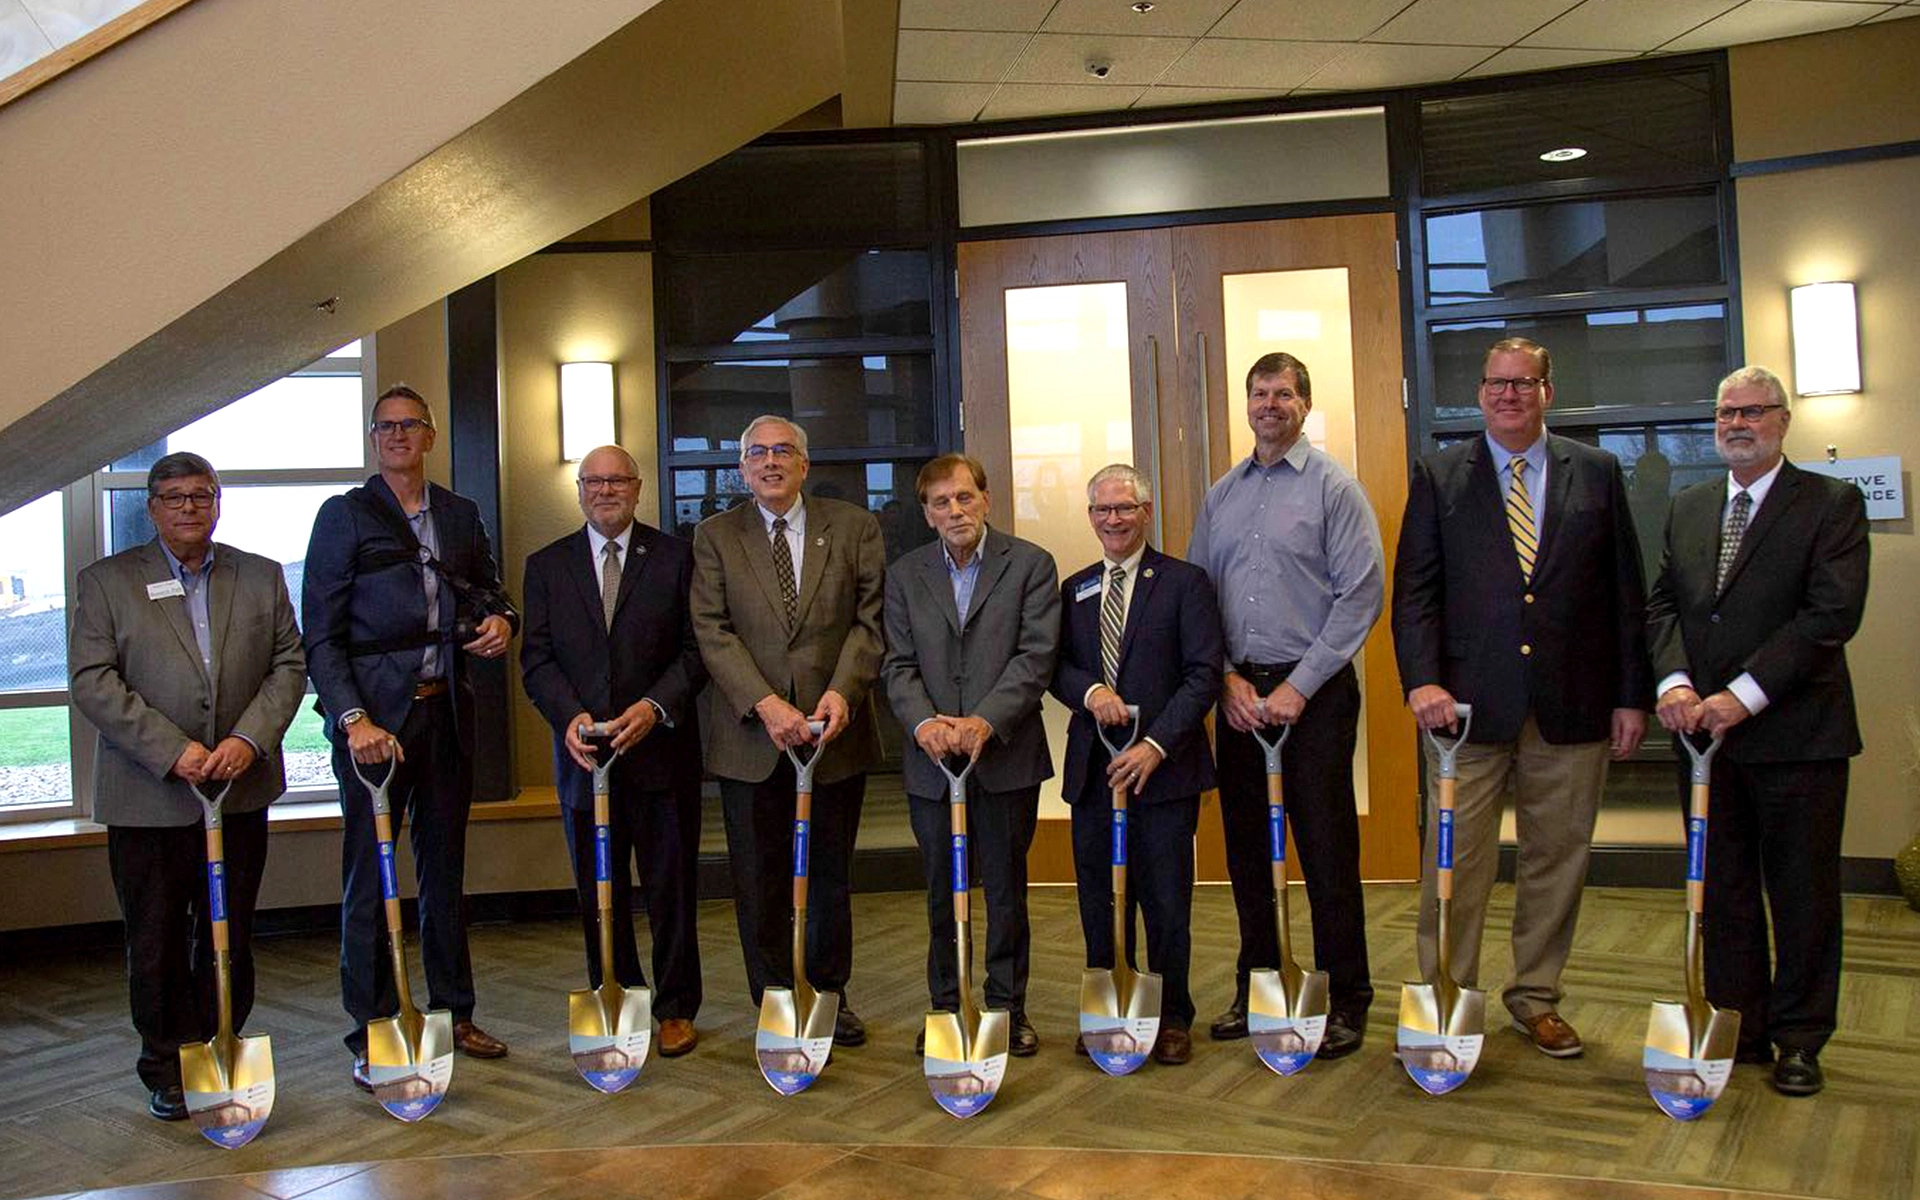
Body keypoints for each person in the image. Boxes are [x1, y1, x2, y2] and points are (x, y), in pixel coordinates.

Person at [1391, 336, 1650, 1058]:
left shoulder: (1594, 473)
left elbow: (1624, 592)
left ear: (1547, 390)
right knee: (1455, 863)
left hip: (1573, 704)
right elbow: (1415, 593)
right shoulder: (1443, 474)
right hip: (1463, 713)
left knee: (1555, 857)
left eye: (1523, 382)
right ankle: (1447, 997)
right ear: (1480, 394)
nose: (1508, 394)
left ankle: (1535, 997)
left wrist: (1632, 696)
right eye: (1496, 384)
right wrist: (1422, 680)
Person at [1647, 364, 1869, 1097]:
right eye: (1725, 413)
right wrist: (1676, 682)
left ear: (1782, 420)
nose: (1736, 424)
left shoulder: (1830, 504)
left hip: (1797, 738)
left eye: (1752, 412)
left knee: (1802, 893)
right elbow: (1663, 608)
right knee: (1724, 888)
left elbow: (1829, 618)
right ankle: (1739, 1023)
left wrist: (1741, 696)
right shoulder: (1690, 504)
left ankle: (1801, 1038)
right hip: (1703, 741)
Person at [68, 452, 306, 1121]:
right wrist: (175, 752)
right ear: (152, 508)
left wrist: (246, 740)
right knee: (158, 936)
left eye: (199, 495)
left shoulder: (259, 577)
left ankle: (221, 1046)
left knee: (229, 930)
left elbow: (290, 662)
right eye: (173, 498)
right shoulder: (108, 581)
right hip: (150, 798)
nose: (188, 508)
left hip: (240, 787)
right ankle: (167, 1064)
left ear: (218, 501)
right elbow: (93, 679)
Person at [303, 384, 519, 1088]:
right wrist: (353, 718)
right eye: (385, 426)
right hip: (374, 728)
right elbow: (321, 635)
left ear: (429, 436)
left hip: (446, 712)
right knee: (372, 879)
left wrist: (501, 623)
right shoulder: (344, 517)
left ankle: (453, 1011)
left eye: (410, 425)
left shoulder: (460, 514)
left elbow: (491, 591)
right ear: (374, 439)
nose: (398, 435)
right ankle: (372, 1029)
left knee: (445, 874)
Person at [1186, 351, 1383, 1058]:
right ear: (1246, 404)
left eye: (1284, 394)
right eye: (1260, 393)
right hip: (1241, 698)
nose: (1270, 404)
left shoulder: (1334, 488)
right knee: (1247, 848)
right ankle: (1260, 983)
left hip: (1316, 695)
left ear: (1305, 404)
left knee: (1326, 847)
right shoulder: (1223, 495)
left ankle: (1346, 994)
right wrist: (1227, 682)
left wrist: (1301, 685)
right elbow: (1197, 600)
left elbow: (1361, 595)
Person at [690, 414, 885, 1044]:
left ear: (805, 464)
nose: (770, 462)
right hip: (753, 739)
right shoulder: (716, 536)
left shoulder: (852, 527)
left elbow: (870, 620)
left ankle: (830, 994)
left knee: (830, 873)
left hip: (835, 732)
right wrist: (765, 704)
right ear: (742, 468)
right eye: (757, 453)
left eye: (783, 451)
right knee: (759, 876)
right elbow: (711, 630)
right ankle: (775, 997)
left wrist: (841, 691)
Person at [520, 445, 708, 1057]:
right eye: (594, 481)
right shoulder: (546, 566)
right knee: (598, 890)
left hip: (660, 756)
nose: (605, 491)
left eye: (617, 481)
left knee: (670, 889)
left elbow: (694, 651)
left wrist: (653, 709)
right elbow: (537, 659)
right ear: (578, 490)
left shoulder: (677, 558)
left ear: (637, 487)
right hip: (583, 760)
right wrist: (569, 717)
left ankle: (676, 1008)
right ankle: (619, 993)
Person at [881, 454, 1059, 1057]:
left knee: (1006, 888)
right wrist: (925, 723)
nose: (954, 510)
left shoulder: (1031, 565)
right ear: (927, 515)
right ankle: (947, 1006)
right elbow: (897, 664)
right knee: (940, 886)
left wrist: (985, 719)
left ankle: (1008, 1006)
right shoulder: (905, 576)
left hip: (1005, 754)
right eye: (940, 503)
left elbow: (1035, 657)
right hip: (931, 761)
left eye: (963, 497)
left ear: (986, 500)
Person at [1051, 464, 1222, 1065]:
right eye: (1102, 510)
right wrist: (1090, 693)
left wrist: (1156, 745)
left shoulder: (1184, 582)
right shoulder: (1074, 588)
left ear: (1146, 512)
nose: (1113, 520)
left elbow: (1203, 675)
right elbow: (1056, 668)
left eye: (1124, 508)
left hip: (1165, 771)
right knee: (1099, 897)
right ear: (1091, 516)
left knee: (1167, 900)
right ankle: (1109, 1007)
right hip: (1095, 772)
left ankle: (1172, 1014)